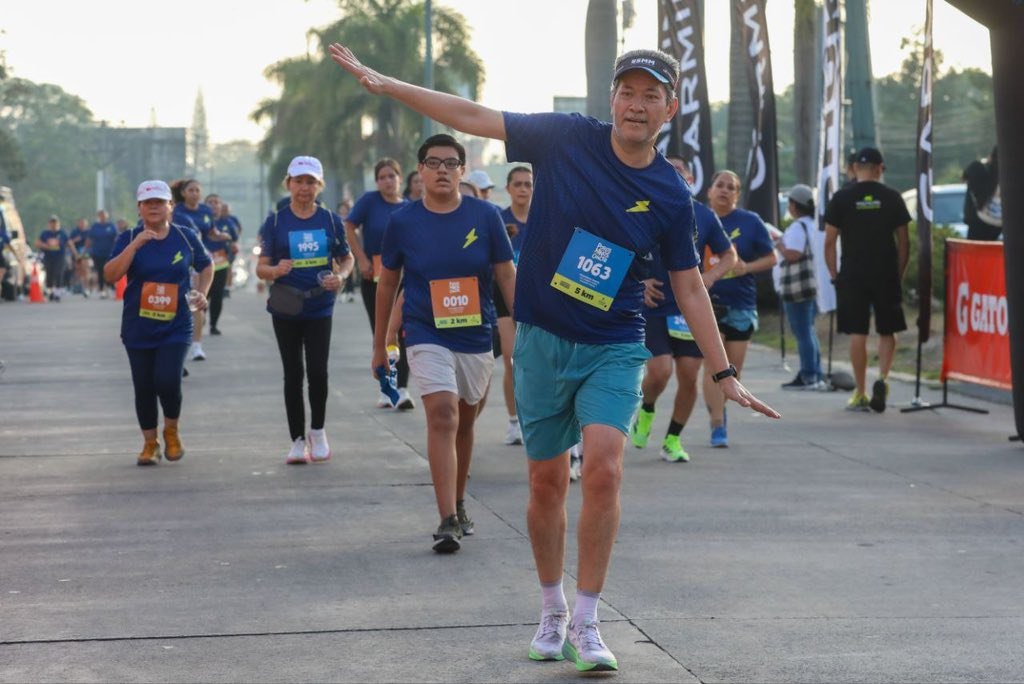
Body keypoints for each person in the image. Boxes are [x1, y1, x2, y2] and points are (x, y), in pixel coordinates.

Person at [329, 43, 778, 672]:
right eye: (629, 91)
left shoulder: (673, 197)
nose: (638, 105)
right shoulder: (567, 139)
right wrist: (388, 84)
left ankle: (591, 619)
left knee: (603, 469)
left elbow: (687, 283)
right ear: (613, 98)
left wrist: (724, 372)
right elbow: (473, 116)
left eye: (653, 95)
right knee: (544, 481)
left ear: (670, 109)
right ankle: (552, 608)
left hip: (616, 342)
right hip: (541, 338)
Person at [372, 133, 516, 553]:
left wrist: (525, 324)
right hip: (424, 332)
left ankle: (458, 500)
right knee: (443, 414)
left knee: (465, 422)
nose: (441, 170)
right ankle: (446, 519)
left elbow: (505, 274)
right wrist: (381, 343)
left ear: (462, 171)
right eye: (433, 163)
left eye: (450, 163)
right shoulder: (403, 221)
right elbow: (388, 284)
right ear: (420, 171)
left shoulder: (485, 216)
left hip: (475, 335)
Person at [629, 157, 737, 462]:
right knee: (660, 371)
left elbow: (730, 255)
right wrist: (638, 280)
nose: (674, 175)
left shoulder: (703, 215)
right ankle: (647, 410)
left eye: (680, 171)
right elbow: (617, 247)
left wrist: (709, 277)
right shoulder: (640, 208)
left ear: (690, 178)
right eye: (668, 170)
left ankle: (673, 439)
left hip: (687, 308)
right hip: (652, 305)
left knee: (689, 376)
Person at [103, 180, 212, 465]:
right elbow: (111, 275)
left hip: (176, 323)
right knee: (144, 386)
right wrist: (136, 245)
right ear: (139, 208)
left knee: (167, 380)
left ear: (169, 206)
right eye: (147, 203)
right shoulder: (127, 238)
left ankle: (172, 431)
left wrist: (202, 292)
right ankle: (150, 443)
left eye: (159, 202)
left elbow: (206, 264)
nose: (153, 207)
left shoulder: (186, 236)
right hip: (138, 325)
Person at [256, 155, 353, 463]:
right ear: (289, 184)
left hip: (320, 306)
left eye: (311, 182)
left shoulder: (330, 221)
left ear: (319, 186)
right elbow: (260, 267)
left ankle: (318, 431)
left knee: (319, 372)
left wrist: (340, 277)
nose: (304, 188)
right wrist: (275, 270)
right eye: (298, 181)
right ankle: (297, 440)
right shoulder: (274, 221)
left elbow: (346, 258)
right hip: (285, 305)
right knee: (292, 373)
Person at [824, 146, 911, 413]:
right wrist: (899, 273)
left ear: (854, 169)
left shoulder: (841, 198)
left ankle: (860, 392)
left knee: (857, 333)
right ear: (880, 169)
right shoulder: (893, 197)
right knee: (888, 330)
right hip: (885, 272)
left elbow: (829, 242)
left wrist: (835, 275)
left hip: (853, 273)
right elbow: (904, 242)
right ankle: (883, 379)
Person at [702, 170, 778, 448]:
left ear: (737, 194)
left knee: (733, 371)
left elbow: (771, 258)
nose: (724, 190)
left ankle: (721, 412)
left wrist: (747, 267)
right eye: (719, 185)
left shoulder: (750, 222)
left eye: (731, 187)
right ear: (709, 190)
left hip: (741, 304)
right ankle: (717, 423)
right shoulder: (698, 219)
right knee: (714, 367)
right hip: (707, 303)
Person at [344, 158, 413, 408]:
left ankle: (402, 389)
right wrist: (360, 259)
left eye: (391, 176)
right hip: (374, 277)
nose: (387, 181)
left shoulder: (409, 208)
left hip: (405, 279)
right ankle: (386, 388)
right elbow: (349, 226)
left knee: (402, 332)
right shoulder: (369, 202)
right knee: (382, 332)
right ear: (376, 182)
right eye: (382, 177)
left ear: (399, 178)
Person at [171, 179, 229, 361]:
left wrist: (222, 236)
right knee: (177, 304)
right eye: (191, 190)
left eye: (197, 190)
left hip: (199, 262)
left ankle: (197, 346)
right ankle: (177, 344)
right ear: (183, 193)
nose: (195, 193)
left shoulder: (206, 211)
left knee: (195, 301)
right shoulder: (175, 210)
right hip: (176, 260)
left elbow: (211, 232)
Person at [496, 166, 533, 446]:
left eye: (528, 184)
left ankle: (532, 416)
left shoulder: (544, 219)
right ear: (508, 188)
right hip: (504, 299)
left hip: (538, 299)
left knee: (535, 364)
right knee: (512, 358)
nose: (523, 189)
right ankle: (512, 421)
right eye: (518, 184)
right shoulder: (498, 219)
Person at [778, 184, 827, 390]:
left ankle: (808, 374)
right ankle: (815, 372)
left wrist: (778, 243)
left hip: (797, 287)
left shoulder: (798, 227)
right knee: (809, 330)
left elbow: (793, 254)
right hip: (811, 285)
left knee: (802, 332)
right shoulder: (813, 224)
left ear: (794, 205)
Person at [202, 193, 233, 335]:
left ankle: (213, 325)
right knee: (202, 294)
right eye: (210, 202)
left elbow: (233, 239)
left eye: (216, 202)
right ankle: (199, 322)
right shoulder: (201, 220)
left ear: (221, 206)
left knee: (217, 295)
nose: (213, 205)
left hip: (220, 264)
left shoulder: (227, 222)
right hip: (202, 264)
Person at [962, 146, 1001, 241]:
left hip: (978, 222)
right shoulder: (1011, 177)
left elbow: (964, 177)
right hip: (999, 224)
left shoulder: (977, 169)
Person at [35, 215, 73, 301]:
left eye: (55, 222)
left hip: (60, 256)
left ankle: (57, 292)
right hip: (48, 256)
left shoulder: (62, 233)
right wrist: (44, 245)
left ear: (58, 223)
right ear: (49, 224)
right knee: (50, 273)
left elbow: (70, 243)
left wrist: (75, 254)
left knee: (58, 272)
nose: (53, 224)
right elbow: (37, 243)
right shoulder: (45, 233)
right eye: (52, 222)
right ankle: (50, 291)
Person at [86, 209, 118, 299]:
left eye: (104, 215)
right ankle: (102, 290)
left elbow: (116, 238)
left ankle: (110, 287)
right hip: (97, 253)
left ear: (107, 216)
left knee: (108, 271)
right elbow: (89, 239)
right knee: (100, 271)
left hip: (109, 253)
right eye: (101, 215)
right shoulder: (95, 226)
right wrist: (85, 251)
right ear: (98, 217)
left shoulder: (111, 226)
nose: (102, 217)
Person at [69, 217, 92, 297]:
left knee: (85, 269)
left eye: (83, 223)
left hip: (85, 253)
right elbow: (70, 243)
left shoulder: (89, 232)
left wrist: (83, 253)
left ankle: (86, 288)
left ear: (86, 224)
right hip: (76, 253)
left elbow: (89, 243)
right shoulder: (74, 232)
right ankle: (81, 287)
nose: (82, 224)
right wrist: (76, 254)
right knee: (79, 271)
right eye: (80, 223)